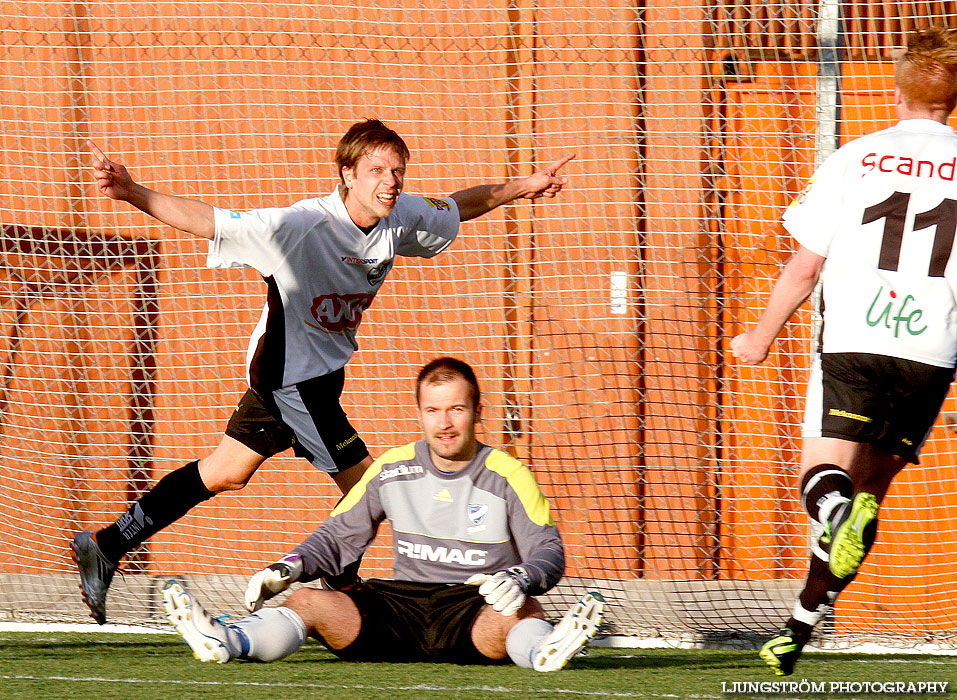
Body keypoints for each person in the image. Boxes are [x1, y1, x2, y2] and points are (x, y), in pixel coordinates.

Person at [72, 119, 576, 625]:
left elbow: (459, 205)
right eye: (376, 170)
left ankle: (106, 544)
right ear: (347, 174)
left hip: (315, 376)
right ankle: (346, 589)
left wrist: (523, 187)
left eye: (397, 171)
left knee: (225, 472)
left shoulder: (398, 214)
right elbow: (210, 221)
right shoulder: (299, 226)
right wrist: (131, 191)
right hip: (291, 378)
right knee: (369, 485)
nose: (390, 181)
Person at [730, 27, 957, 676]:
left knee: (822, 479)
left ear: (896, 90)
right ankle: (799, 626)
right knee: (870, 492)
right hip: (929, 353)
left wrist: (759, 337)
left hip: (856, 340)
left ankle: (830, 514)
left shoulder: (856, 157)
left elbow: (803, 269)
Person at [161, 357, 604, 671]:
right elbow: (339, 537)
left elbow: (547, 550)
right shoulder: (391, 469)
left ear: (476, 413)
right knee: (308, 601)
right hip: (397, 610)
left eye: (456, 409)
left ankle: (546, 650)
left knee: (523, 610)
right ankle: (228, 641)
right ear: (420, 414)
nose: (445, 422)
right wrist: (290, 565)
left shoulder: (508, 474)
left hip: (471, 608)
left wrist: (521, 578)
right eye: (433, 410)